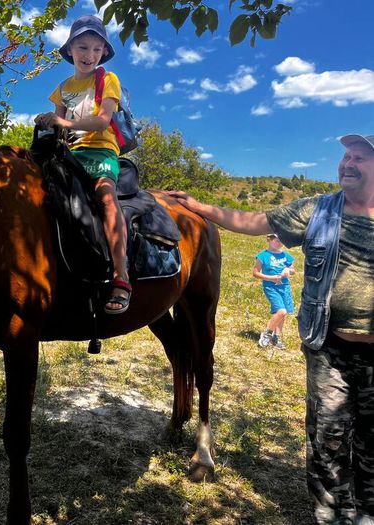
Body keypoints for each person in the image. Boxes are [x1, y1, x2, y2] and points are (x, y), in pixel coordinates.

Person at [166, 133, 374, 525]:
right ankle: (334, 517)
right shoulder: (319, 210)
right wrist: (198, 207)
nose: (348, 163)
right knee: (328, 441)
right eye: (346, 156)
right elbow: (253, 221)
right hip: (330, 348)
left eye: (360, 158)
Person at [34, 15, 130, 314]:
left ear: (103, 53)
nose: (89, 55)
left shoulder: (108, 80)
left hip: (101, 152)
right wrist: (49, 124)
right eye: (83, 48)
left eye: (96, 49)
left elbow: (103, 121)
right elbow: (60, 128)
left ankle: (121, 276)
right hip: (70, 154)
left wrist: (64, 120)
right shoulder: (62, 88)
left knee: (106, 198)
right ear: (70, 51)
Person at [253, 233, 296, 349]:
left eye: (281, 241)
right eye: (277, 240)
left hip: (284, 287)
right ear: (269, 240)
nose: (279, 243)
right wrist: (271, 278)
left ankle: (276, 338)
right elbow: (255, 273)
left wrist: (288, 270)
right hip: (271, 287)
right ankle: (267, 334)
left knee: (283, 314)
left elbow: (293, 270)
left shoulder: (286, 256)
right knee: (281, 311)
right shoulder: (263, 256)